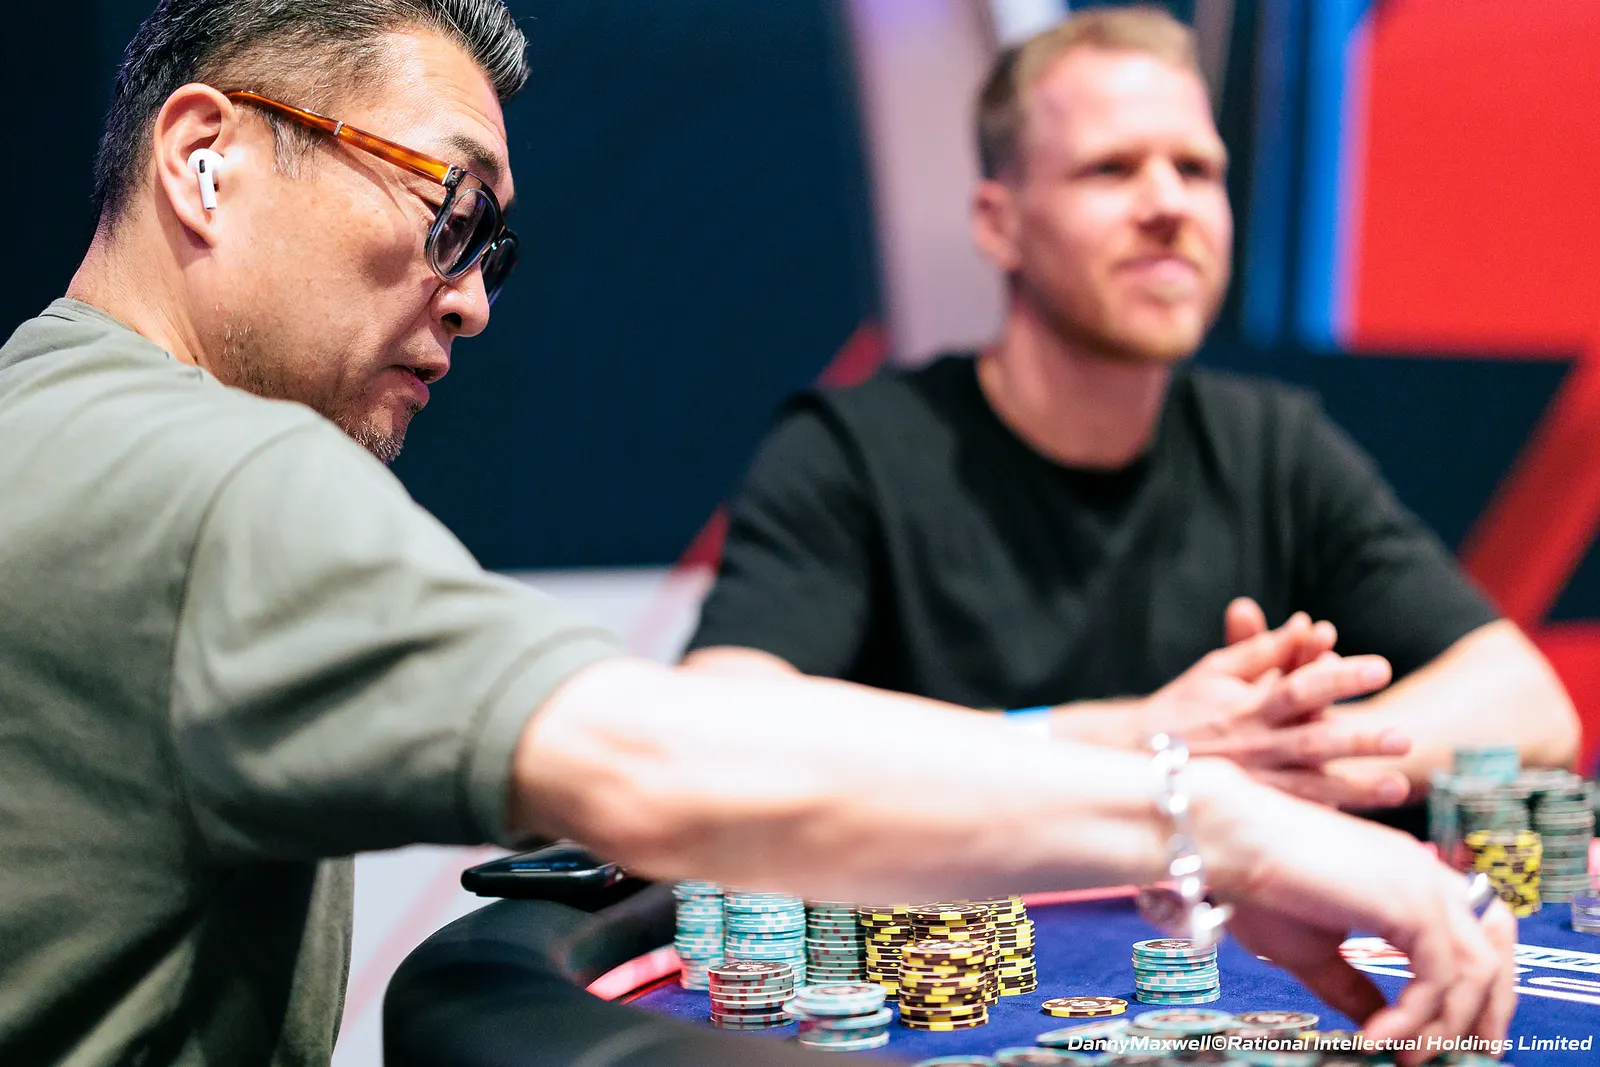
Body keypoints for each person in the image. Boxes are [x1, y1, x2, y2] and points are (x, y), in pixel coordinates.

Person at [0, 2, 1515, 1064]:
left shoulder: (48, 410)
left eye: (492, 249)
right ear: (204, 158)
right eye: (446, 206)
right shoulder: (210, 472)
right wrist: (1212, 812)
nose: (469, 298)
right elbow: (651, 760)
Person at [684, 6, 1579, 817]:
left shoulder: (1274, 446)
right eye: (1110, 169)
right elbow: (714, 728)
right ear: (999, 223)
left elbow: (1528, 704)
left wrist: (1274, 762)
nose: (1168, 205)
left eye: (1196, 168)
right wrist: (1134, 743)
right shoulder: (850, 453)